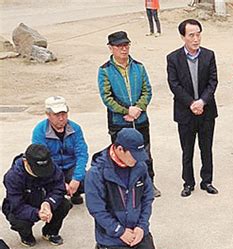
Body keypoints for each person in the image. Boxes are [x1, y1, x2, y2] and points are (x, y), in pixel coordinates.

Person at [98, 31, 160, 198]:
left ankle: (148, 183)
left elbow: (147, 90)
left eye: (126, 45)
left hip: (140, 119)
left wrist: (138, 108)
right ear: (111, 48)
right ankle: (124, 188)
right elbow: (107, 97)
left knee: (145, 152)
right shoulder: (105, 71)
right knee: (120, 154)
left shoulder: (138, 67)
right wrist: (126, 110)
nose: (124, 49)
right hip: (119, 121)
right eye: (119, 46)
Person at [85, 128, 155, 249]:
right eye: (134, 155)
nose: (137, 159)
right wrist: (119, 231)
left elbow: (147, 198)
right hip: (111, 236)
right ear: (120, 149)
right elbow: (96, 209)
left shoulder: (140, 167)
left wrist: (142, 226)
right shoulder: (96, 173)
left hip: (137, 232)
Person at [166, 19, 219, 197]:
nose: (196, 39)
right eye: (191, 35)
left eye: (198, 34)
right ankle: (188, 183)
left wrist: (202, 102)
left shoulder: (209, 55)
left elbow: (213, 82)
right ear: (183, 37)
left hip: (206, 111)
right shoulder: (173, 58)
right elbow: (174, 85)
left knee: (206, 148)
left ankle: (207, 181)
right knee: (187, 150)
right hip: (185, 112)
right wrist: (191, 103)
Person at [2, 144, 71, 247]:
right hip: (23, 205)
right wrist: (37, 213)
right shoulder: (13, 177)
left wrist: (49, 203)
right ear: (26, 162)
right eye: (37, 169)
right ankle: (26, 235)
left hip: (44, 199)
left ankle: (50, 232)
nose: (41, 174)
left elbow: (59, 188)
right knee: (17, 219)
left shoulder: (53, 167)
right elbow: (17, 206)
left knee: (64, 204)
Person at [32, 96, 89, 205]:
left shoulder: (75, 128)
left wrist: (76, 179)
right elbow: (42, 159)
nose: (61, 118)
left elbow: (82, 154)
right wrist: (59, 181)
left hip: (70, 167)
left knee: (88, 181)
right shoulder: (39, 131)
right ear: (48, 115)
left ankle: (75, 192)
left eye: (64, 114)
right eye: (57, 115)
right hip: (51, 169)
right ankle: (56, 198)